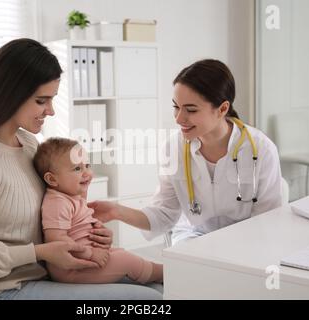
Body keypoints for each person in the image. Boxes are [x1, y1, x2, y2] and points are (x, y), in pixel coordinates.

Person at [0, 38, 163, 300]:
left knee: (159, 287)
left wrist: (88, 233)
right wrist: (38, 253)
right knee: (148, 299)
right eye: (41, 101)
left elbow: (48, 217)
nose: (50, 111)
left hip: (45, 275)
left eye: (52, 100)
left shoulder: (28, 144)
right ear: (10, 94)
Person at [89, 59, 282, 246]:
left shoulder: (261, 150)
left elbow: (266, 222)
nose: (179, 118)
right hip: (193, 238)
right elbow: (163, 214)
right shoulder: (173, 147)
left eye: (191, 110)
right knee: (185, 270)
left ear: (222, 109)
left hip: (244, 243)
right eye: (176, 107)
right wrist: (116, 211)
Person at [33, 137, 163, 284]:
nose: (87, 172)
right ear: (52, 179)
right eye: (77, 168)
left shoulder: (72, 197)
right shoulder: (57, 203)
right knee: (127, 261)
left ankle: (154, 275)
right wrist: (90, 253)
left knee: (121, 253)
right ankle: (162, 274)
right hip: (72, 269)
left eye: (87, 165)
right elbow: (56, 240)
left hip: (86, 258)